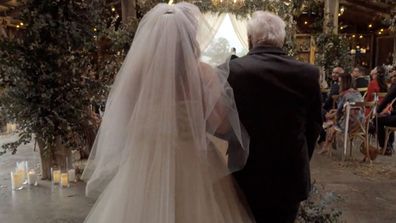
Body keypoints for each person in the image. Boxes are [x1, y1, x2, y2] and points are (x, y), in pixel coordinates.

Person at [82, 3, 254, 223]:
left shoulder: (136, 73)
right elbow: (219, 124)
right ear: (190, 37)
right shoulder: (203, 74)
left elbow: (122, 118)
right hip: (192, 161)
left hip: (146, 159)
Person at [228, 11, 322, 223]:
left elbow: (224, 125)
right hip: (289, 177)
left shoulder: (233, 71)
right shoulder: (308, 73)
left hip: (244, 176)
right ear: (281, 39)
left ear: (251, 39)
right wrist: (299, 157)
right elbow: (314, 126)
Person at [318, 72, 364, 154]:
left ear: (344, 83)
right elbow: (348, 108)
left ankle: (325, 145)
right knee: (332, 120)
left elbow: (339, 112)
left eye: (340, 82)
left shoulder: (345, 94)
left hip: (348, 124)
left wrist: (329, 115)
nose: (339, 84)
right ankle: (326, 144)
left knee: (330, 123)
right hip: (361, 123)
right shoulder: (357, 92)